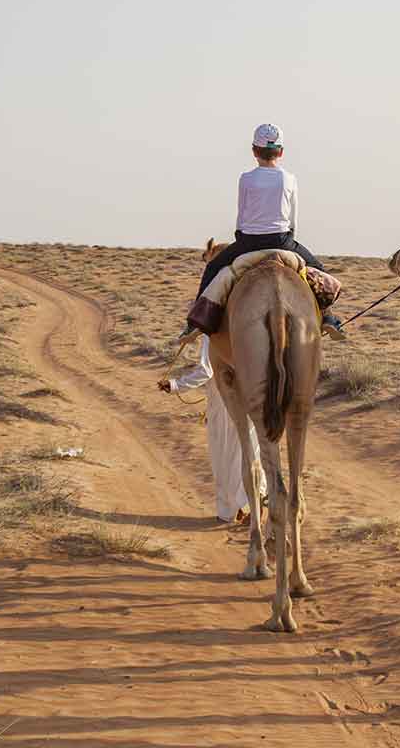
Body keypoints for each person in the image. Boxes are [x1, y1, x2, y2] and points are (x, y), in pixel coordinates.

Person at [179, 123, 345, 342]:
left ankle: (195, 324)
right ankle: (328, 318)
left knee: (213, 268)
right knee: (318, 270)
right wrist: (288, 237)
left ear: (254, 151)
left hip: (249, 241)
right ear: (281, 152)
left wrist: (241, 237)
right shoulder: (290, 179)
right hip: (283, 240)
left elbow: (242, 214)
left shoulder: (246, 179)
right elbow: (293, 218)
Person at [158, 336, 266, 523]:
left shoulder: (215, 328)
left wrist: (176, 385)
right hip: (254, 396)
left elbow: (206, 370)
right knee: (251, 450)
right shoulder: (251, 323)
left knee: (225, 457)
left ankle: (232, 510)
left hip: (225, 403)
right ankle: (254, 499)